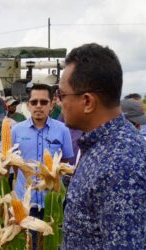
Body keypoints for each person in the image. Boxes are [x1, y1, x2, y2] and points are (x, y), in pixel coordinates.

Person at [58, 43, 146, 249]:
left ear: (88, 101)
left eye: (62, 95)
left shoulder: (120, 164)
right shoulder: (100, 146)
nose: (60, 103)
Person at [11, 83, 74, 248]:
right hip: (25, 204)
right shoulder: (16, 131)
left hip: (52, 203)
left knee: (51, 245)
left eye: (43, 102)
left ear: (52, 104)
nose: (39, 106)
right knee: (27, 245)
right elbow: (14, 165)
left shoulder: (62, 130)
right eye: (34, 102)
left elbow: (65, 162)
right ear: (27, 105)